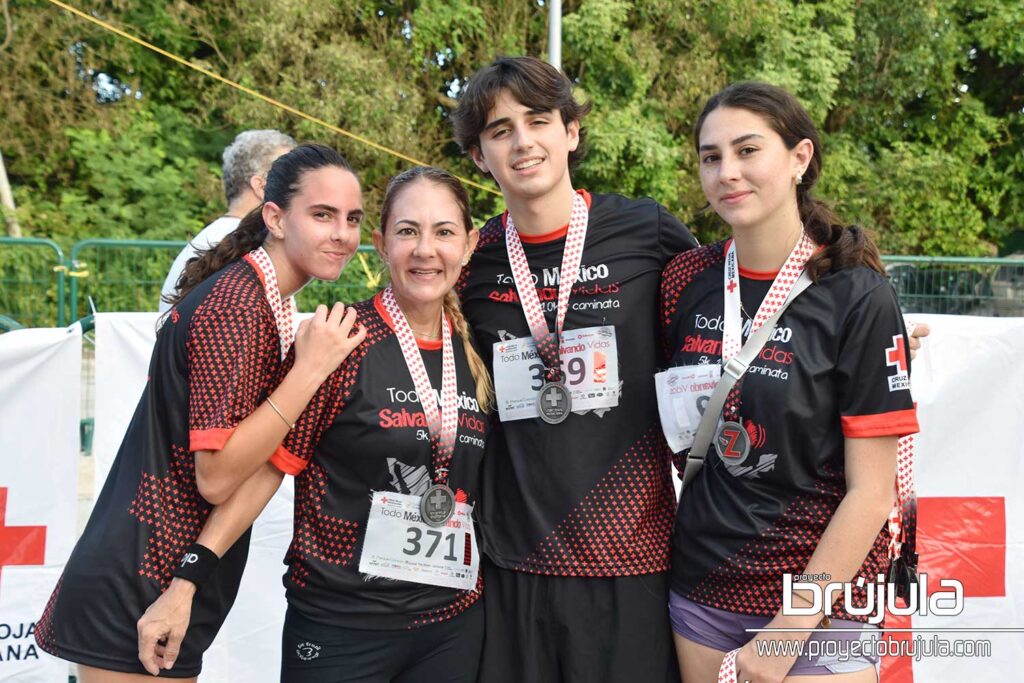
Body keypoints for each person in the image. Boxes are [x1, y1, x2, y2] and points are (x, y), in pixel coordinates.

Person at [137, 166, 491, 683]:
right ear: (380, 243)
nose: (425, 250)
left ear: (469, 243)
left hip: (451, 626)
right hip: (341, 627)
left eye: (444, 232)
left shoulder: (478, 347)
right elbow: (269, 469)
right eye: (407, 231)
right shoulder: (339, 339)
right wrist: (186, 581)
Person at [35, 143, 368, 682]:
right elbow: (216, 477)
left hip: (171, 576)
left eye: (352, 219)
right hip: (139, 584)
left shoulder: (266, 297)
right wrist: (309, 372)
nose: (343, 235)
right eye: (323, 215)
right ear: (276, 219)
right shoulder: (237, 303)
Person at [451, 56, 699, 683]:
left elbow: (732, 311)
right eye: (500, 130)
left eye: (538, 121)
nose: (523, 141)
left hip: (630, 557)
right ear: (480, 155)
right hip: (514, 563)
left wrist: (842, 333)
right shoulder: (473, 259)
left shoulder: (646, 230)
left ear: (571, 133)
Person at [661, 82, 920, 682]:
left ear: (800, 158)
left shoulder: (857, 293)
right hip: (703, 591)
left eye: (748, 150)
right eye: (711, 156)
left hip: (825, 608)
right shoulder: (686, 281)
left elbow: (872, 494)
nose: (728, 172)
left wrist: (789, 628)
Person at [159, 129, 296, 312]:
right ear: (261, 186)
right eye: (289, 178)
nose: (299, 188)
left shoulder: (215, 239)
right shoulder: (246, 247)